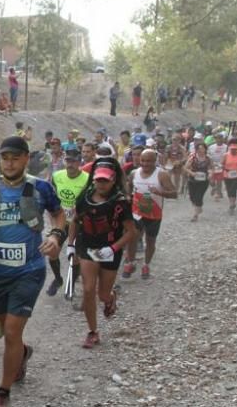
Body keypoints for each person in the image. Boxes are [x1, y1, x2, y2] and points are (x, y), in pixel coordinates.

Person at [0, 136, 66, 407]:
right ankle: (22, 354)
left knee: (11, 331)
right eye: (4, 158)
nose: (9, 163)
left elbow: (59, 215)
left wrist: (56, 236)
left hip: (29, 270)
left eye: (15, 157)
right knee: (8, 333)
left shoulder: (40, 187)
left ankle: (3, 394)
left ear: (26, 159)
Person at [67, 159, 136, 348]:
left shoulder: (121, 203)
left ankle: (110, 298)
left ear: (113, 180)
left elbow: (131, 232)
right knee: (88, 290)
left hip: (110, 248)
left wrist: (112, 249)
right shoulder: (84, 198)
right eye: (98, 180)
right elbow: (75, 221)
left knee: (102, 294)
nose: (101, 184)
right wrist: (70, 246)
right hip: (87, 246)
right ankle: (92, 332)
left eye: (105, 181)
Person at [123, 148, 177, 279]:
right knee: (132, 238)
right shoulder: (134, 173)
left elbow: (174, 193)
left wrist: (160, 193)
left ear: (155, 161)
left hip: (154, 214)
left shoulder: (162, 175)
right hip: (137, 212)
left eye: (149, 161)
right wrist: (128, 196)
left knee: (150, 241)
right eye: (143, 160)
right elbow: (128, 186)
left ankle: (146, 265)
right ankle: (131, 262)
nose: (145, 164)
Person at [48, 147, 89, 296]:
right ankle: (58, 279)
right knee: (52, 252)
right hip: (62, 221)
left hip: (79, 223)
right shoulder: (57, 176)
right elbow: (50, 201)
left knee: (74, 255)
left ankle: (71, 284)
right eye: (68, 160)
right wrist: (53, 223)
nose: (70, 164)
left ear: (79, 162)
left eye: (74, 161)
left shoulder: (87, 179)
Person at [184, 142, 211, 222]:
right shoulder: (192, 158)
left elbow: (211, 168)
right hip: (192, 180)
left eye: (202, 148)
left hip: (204, 181)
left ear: (205, 149)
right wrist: (191, 173)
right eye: (199, 149)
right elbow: (185, 168)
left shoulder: (208, 159)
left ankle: (195, 215)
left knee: (198, 196)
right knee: (192, 197)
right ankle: (198, 206)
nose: (200, 150)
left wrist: (210, 173)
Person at [220, 137, 237, 215]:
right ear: (229, 148)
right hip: (227, 175)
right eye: (232, 149)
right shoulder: (225, 155)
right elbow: (221, 164)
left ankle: (232, 203)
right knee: (229, 189)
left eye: (235, 149)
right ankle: (232, 202)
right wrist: (223, 168)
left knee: (233, 188)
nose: (233, 150)